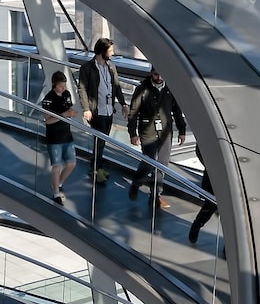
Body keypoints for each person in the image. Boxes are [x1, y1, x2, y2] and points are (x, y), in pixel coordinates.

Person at [126, 74, 187, 209]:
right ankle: (136, 182)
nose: (159, 77)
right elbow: (133, 112)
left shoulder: (170, 89)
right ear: (151, 73)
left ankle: (156, 195)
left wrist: (182, 130)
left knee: (162, 164)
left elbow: (177, 111)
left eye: (161, 74)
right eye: (156, 74)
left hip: (166, 132)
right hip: (148, 131)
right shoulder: (142, 89)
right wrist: (132, 133)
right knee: (149, 161)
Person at [77, 39, 123, 186]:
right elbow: (82, 89)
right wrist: (86, 109)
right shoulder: (87, 68)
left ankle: (96, 168)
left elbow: (117, 86)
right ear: (102, 51)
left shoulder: (111, 67)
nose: (112, 53)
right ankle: (96, 170)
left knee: (102, 142)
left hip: (109, 110)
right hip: (96, 111)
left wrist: (123, 103)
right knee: (99, 142)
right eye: (110, 51)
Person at [39, 72, 77, 204]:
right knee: (56, 166)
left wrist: (71, 113)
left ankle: (59, 182)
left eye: (64, 86)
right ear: (54, 85)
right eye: (61, 86)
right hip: (54, 138)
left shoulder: (66, 94)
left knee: (71, 163)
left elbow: (69, 108)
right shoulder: (48, 99)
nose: (63, 88)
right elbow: (48, 120)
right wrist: (64, 114)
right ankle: (56, 193)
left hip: (67, 135)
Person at [188, 168, 218, 242]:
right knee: (210, 207)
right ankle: (197, 225)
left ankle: (229, 245)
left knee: (231, 214)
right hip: (215, 174)